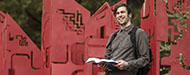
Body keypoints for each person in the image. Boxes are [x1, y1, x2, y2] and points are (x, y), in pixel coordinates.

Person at [98, 3, 150, 75]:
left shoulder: (138, 33)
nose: (120, 15)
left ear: (130, 15)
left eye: (122, 12)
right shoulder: (113, 36)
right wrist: (104, 66)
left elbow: (145, 59)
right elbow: (107, 58)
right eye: (117, 13)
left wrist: (127, 64)